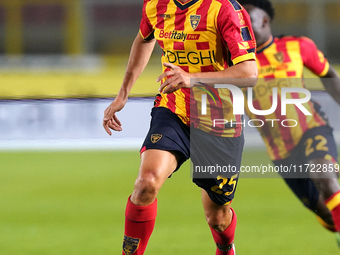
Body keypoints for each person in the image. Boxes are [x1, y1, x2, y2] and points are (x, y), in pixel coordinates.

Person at [103, 0, 258, 254]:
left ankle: (226, 247)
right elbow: (144, 39)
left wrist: (191, 79)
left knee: (217, 219)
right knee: (146, 183)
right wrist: (123, 93)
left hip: (219, 118)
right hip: (174, 109)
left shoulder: (224, 8)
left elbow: (249, 73)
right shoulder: (155, 5)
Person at [238, 0, 340, 241]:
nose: (243, 31)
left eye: (248, 24)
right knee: (326, 212)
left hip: (312, 129)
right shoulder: (234, 63)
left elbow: (329, 75)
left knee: (325, 179)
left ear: (265, 21)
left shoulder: (298, 46)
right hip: (280, 150)